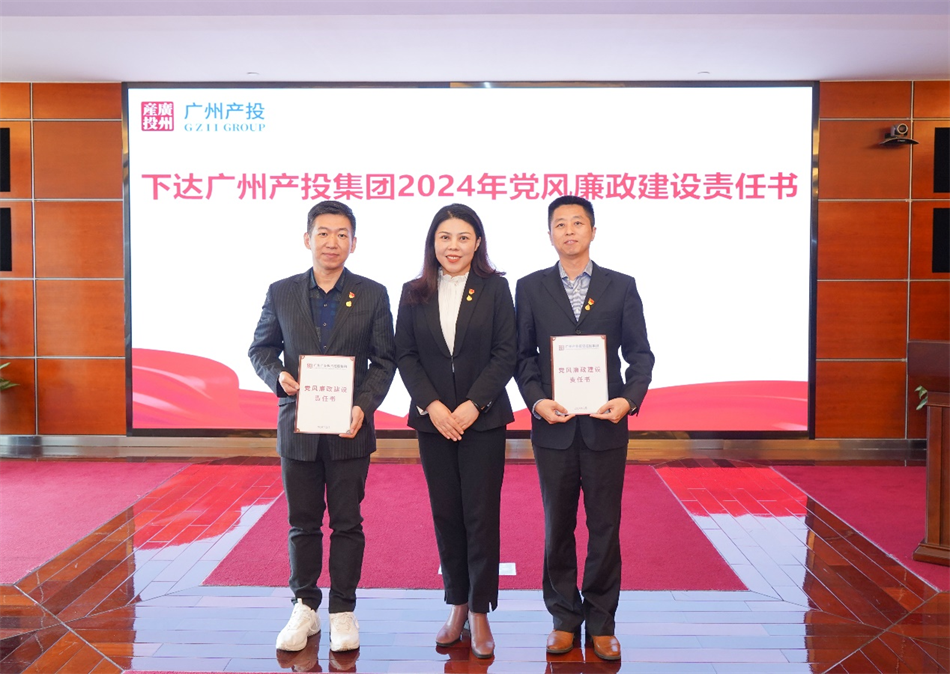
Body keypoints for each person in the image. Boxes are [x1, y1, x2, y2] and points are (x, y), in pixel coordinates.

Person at [249, 200, 396, 654]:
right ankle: (305, 606)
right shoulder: (282, 291)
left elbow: (384, 360)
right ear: (307, 238)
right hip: (298, 428)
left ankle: (343, 609)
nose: (333, 242)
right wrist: (278, 376)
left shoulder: (373, 294)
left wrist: (364, 405)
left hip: (351, 428)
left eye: (342, 234)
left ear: (354, 242)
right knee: (303, 523)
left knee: (348, 522)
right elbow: (260, 349)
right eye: (324, 233)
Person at [515, 195, 654, 662]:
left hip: (604, 426)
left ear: (593, 231)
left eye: (578, 223)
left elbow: (640, 355)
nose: (569, 231)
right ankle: (562, 619)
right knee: (558, 525)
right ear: (549, 234)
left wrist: (628, 400)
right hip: (553, 428)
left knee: (604, 526)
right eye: (560, 224)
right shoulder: (530, 288)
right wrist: (537, 401)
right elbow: (522, 357)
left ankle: (601, 622)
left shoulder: (621, 286)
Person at [394, 204, 517, 659]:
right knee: (446, 514)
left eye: (463, 237)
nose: (453, 246)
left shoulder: (495, 288)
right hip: (434, 423)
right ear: (433, 242)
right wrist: (434, 406)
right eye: (445, 237)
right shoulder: (413, 292)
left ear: (477, 242)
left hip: (482, 420)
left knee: (480, 516)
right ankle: (457, 604)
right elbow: (405, 354)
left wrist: (471, 405)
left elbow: (506, 352)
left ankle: (481, 611)